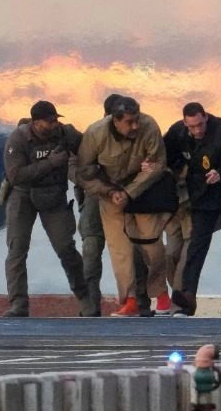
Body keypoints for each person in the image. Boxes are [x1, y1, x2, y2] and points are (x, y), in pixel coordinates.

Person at [76, 96, 171, 317]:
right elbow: (84, 172)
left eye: (137, 119)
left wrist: (130, 192)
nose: (135, 125)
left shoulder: (149, 126)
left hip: (143, 190)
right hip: (111, 194)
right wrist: (110, 192)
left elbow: (158, 163)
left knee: (152, 245)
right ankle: (130, 300)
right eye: (129, 122)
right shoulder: (95, 133)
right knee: (120, 250)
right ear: (115, 120)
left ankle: (161, 294)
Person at [2, 100, 96, 317]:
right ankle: (18, 304)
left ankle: (86, 300)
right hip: (23, 196)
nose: (54, 124)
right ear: (35, 123)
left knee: (66, 248)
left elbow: (89, 151)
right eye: (49, 121)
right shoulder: (17, 140)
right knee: (17, 250)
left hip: (53, 195)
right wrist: (51, 163)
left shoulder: (65, 133)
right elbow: (15, 175)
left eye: (55, 119)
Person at [167, 102, 221, 317]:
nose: (197, 130)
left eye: (200, 125)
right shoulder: (178, 132)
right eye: (192, 127)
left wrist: (220, 173)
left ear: (206, 117)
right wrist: (151, 164)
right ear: (185, 123)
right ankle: (188, 297)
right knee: (196, 246)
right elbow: (164, 154)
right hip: (203, 195)